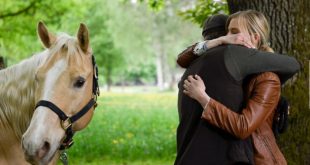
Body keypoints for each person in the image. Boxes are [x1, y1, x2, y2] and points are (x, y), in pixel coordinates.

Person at [175, 11, 300, 165]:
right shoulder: (239, 70)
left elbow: (243, 126)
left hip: (261, 159)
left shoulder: (268, 78)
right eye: (227, 32)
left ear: (255, 38)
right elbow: (181, 59)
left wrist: (203, 98)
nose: (229, 37)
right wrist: (219, 40)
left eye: (234, 32)